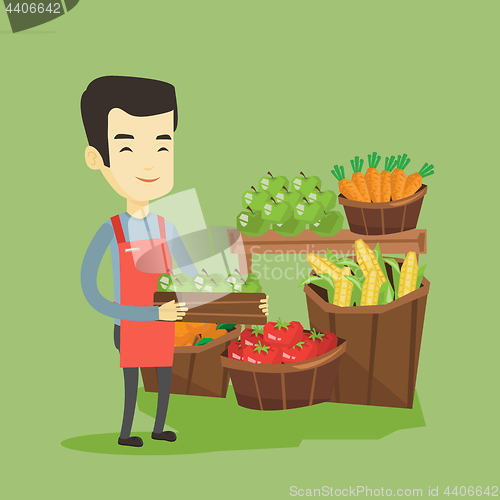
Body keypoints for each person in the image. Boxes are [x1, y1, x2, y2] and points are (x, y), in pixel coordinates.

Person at [80, 76, 196, 447]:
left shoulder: (171, 224)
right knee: (133, 380)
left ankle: (159, 426)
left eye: (163, 146)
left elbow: (193, 275)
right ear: (97, 158)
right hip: (130, 326)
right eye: (128, 149)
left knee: (164, 376)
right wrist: (148, 315)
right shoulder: (110, 231)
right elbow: (91, 293)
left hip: (166, 324)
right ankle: (127, 431)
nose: (150, 163)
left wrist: (235, 295)